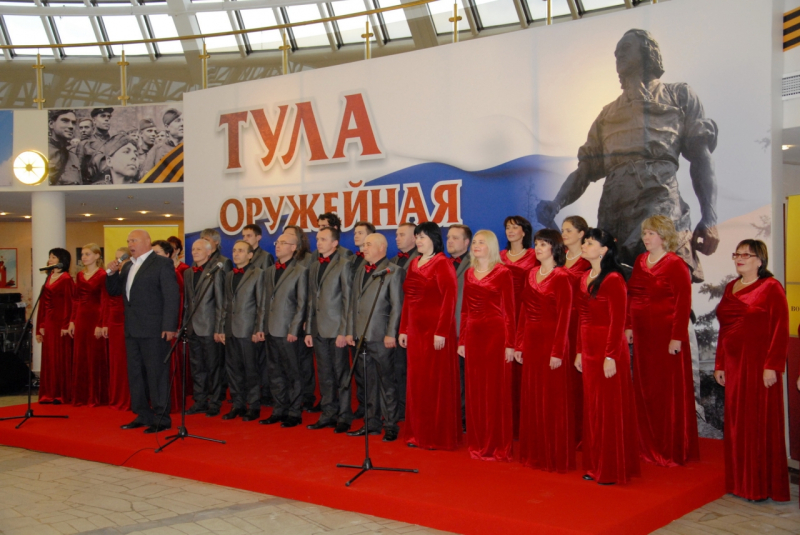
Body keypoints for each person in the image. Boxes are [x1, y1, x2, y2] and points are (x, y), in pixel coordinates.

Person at [536, 29, 719, 281]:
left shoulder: (679, 96)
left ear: (647, 52)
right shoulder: (607, 114)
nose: (619, 55)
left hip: (661, 205)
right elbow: (584, 172)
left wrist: (709, 217)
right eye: (616, 52)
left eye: (626, 48)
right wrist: (556, 203)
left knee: (662, 282)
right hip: (615, 213)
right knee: (613, 286)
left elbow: (701, 159)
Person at [713, 239, 790, 502]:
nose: (740, 258)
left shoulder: (771, 287)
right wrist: (720, 364)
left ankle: (759, 486)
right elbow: (724, 331)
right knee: (737, 425)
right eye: (737, 254)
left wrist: (772, 366)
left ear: (760, 260)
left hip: (759, 366)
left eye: (747, 254)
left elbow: (781, 329)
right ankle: (739, 482)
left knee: (758, 424)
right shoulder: (730, 287)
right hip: (734, 367)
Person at [626, 215, 698, 467]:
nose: (646, 238)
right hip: (643, 335)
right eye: (645, 233)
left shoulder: (676, 264)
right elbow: (633, 294)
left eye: (651, 233)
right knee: (646, 389)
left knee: (667, 391)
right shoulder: (640, 261)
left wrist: (677, 337)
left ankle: (670, 447)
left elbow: (683, 303)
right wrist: (628, 324)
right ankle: (647, 445)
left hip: (666, 335)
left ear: (664, 236)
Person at [574, 228, 639, 485]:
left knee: (608, 409)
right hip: (589, 350)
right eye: (585, 242)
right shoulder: (584, 277)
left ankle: (610, 467)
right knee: (593, 408)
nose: (585, 245)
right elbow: (582, 317)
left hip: (608, 349)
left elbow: (618, 320)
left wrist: (611, 355)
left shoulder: (613, 279)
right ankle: (595, 463)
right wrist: (579, 350)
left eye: (590, 243)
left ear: (604, 250)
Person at [106, 230, 180, 434]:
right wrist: (111, 273)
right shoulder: (128, 265)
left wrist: (169, 326)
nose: (130, 244)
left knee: (156, 375)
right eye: (128, 241)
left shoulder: (161, 263)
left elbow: (171, 296)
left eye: (134, 240)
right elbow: (114, 291)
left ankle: (161, 417)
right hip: (132, 329)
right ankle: (143, 414)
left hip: (155, 329)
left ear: (147, 241)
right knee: (136, 374)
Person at [515, 229, 574, 472]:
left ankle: (553, 454)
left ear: (554, 248)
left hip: (552, 342)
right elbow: (524, 311)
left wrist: (558, 351)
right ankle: (535, 452)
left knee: (552, 399)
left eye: (543, 244)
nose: (538, 248)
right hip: (531, 341)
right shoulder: (530, 274)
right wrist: (519, 344)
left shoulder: (562, 277)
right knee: (532, 396)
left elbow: (565, 317)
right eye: (537, 244)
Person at [399, 222, 461, 450]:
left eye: (422, 237)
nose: (418, 241)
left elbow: (449, 299)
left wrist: (441, 331)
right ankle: (418, 433)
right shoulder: (414, 263)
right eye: (417, 237)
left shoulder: (443, 263)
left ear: (434, 239)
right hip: (416, 332)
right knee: (417, 383)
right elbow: (408, 300)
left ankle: (435, 435)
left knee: (435, 383)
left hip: (436, 332)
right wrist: (403, 329)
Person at [457, 230, 515, 461]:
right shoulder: (469, 273)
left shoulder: (503, 272)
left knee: (495, 389)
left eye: (481, 242)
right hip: (473, 335)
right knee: (476, 390)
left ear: (491, 245)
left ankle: (497, 444)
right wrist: (462, 340)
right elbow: (465, 310)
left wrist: (510, 343)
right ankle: (479, 441)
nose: (476, 245)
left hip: (496, 335)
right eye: (475, 242)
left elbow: (510, 310)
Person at [345, 233, 404, 441]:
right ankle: (372, 423)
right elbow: (353, 303)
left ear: (381, 247)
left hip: (381, 337)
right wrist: (351, 331)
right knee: (368, 382)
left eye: (368, 244)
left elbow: (397, 306)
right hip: (361, 336)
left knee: (387, 382)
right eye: (364, 245)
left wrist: (391, 333)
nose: (364, 248)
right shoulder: (361, 269)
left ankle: (391, 425)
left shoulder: (393, 271)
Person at [304, 226, 353, 431]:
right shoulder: (315, 265)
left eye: (323, 239)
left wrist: (344, 331)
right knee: (324, 374)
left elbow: (348, 300)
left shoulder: (344, 264)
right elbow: (311, 299)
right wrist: (309, 329)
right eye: (317, 239)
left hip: (336, 329)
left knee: (341, 374)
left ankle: (344, 416)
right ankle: (328, 413)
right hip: (318, 329)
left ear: (335, 243)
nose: (318, 242)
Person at [258, 232, 308, 428]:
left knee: (293, 372)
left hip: (288, 331)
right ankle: (279, 409)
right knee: (275, 372)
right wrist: (261, 327)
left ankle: (295, 412)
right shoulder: (269, 271)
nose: (278, 246)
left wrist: (294, 329)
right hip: (271, 329)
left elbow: (302, 304)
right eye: (277, 243)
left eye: (283, 243)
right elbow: (264, 302)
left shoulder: (300, 271)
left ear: (293, 248)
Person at [500, 215, 539, 438]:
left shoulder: (534, 255)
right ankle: (507, 423)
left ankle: (526, 423)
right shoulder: (500, 256)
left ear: (524, 231)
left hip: (526, 313)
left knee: (524, 369)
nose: (510, 230)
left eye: (515, 227)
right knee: (505, 371)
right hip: (502, 315)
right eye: (507, 227)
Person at [218, 241, 265, 422]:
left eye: (241, 251)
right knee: (233, 369)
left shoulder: (258, 273)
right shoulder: (229, 275)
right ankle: (237, 404)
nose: (236, 254)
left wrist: (258, 329)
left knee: (251, 369)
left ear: (250, 255)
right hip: (231, 329)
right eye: (234, 250)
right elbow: (225, 304)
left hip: (248, 329)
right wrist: (221, 328)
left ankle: (253, 406)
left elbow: (261, 304)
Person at [183, 238, 225, 417]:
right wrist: (185, 325)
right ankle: (200, 400)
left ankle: (215, 402)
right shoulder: (188, 272)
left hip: (209, 327)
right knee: (197, 367)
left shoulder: (215, 271)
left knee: (213, 367)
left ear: (209, 252)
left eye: (199, 249)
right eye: (193, 249)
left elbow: (221, 303)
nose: (194, 252)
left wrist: (219, 328)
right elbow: (187, 302)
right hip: (192, 327)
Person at [561, 215, 591, 447]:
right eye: (563, 230)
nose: (564, 234)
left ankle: (581, 433)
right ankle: (564, 429)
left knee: (579, 377)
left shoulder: (589, 260)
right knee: (562, 380)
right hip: (559, 323)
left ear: (582, 233)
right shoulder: (558, 258)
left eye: (569, 230)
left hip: (580, 322)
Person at [69, 243, 108, 407]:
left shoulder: (103, 274)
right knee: (81, 355)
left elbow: (105, 300)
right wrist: (72, 321)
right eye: (82, 254)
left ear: (97, 256)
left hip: (95, 317)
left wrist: (101, 323)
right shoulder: (79, 275)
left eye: (87, 254)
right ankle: (82, 395)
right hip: (81, 317)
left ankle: (96, 396)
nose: (83, 257)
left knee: (94, 356)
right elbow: (76, 299)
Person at [284, 224, 317, 412]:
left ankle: (307, 395)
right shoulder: (283, 261)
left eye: (289, 236)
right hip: (287, 318)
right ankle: (293, 395)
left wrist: (307, 318)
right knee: (291, 362)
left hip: (304, 316)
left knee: (304, 360)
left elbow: (310, 291)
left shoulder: (309, 259)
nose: (284, 240)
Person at [388, 221, 419, 419]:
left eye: (402, 235)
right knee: (396, 369)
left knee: (409, 370)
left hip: (412, 322)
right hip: (392, 323)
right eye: (396, 235)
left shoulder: (420, 261)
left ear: (415, 238)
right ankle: (398, 409)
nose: (397, 238)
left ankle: (411, 410)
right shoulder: (392, 261)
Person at [35, 248, 74, 404]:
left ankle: (61, 394)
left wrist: (66, 324)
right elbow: (43, 304)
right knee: (49, 358)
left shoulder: (66, 279)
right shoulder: (49, 277)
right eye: (50, 257)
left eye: (54, 257)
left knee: (60, 358)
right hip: (49, 322)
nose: (50, 260)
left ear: (62, 260)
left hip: (61, 322)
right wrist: (40, 325)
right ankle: (49, 393)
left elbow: (70, 304)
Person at [153, 239, 186, 412]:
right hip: (155, 327)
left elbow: (178, 302)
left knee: (168, 365)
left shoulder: (174, 273)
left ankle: (169, 402)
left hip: (169, 328)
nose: (153, 256)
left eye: (157, 253)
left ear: (168, 255)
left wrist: (175, 326)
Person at [348, 221, 375, 418]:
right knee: (358, 369)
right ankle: (363, 405)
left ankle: (374, 410)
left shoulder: (379, 264)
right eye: (355, 233)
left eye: (360, 233)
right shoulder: (351, 260)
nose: (356, 236)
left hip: (372, 325)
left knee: (372, 372)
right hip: (354, 322)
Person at [447, 224, 472, 430]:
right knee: (448, 377)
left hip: (464, 329)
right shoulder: (442, 263)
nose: (450, 241)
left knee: (464, 376)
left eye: (455, 238)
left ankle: (464, 417)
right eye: (448, 237)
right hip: (443, 330)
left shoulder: (475, 263)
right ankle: (450, 414)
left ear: (466, 242)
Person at [103, 247, 131, 411]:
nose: (118, 261)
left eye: (121, 258)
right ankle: (118, 395)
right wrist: (111, 273)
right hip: (115, 321)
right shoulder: (117, 274)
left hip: (129, 320)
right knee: (117, 360)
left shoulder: (133, 272)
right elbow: (112, 292)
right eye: (116, 258)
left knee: (127, 360)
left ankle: (129, 396)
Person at [77, 107, 113, 183]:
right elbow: (78, 172)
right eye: (103, 116)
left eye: (108, 117)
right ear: (94, 121)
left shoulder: (114, 142)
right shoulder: (85, 144)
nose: (107, 119)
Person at [47, 109, 81, 185]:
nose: (71, 126)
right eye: (65, 121)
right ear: (51, 124)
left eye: (73, 123)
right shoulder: (42, 151)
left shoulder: (73, 157)